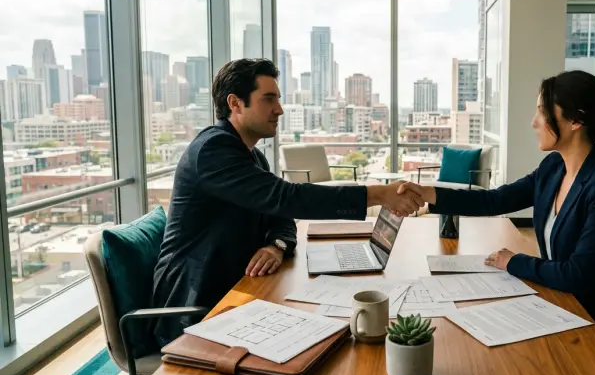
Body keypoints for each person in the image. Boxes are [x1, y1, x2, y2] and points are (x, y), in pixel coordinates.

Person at [152, 58, 422, 347]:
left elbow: (279, 215)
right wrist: (379, 194)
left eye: (278, 99)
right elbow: (287, 198)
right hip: (198, 303)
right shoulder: (212, 150)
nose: (279, 110)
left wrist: (276, 246)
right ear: (235, 103)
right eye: (268, 99)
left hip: (240, 285)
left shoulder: (252, 156)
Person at [399, 70, 595, 363]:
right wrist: (429, 194)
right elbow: (495, 200)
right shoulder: (554, 167)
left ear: (575, 121)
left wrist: (514, 261)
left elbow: (579, 275)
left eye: (542, 112)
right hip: (563, 308)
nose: (534, 122)